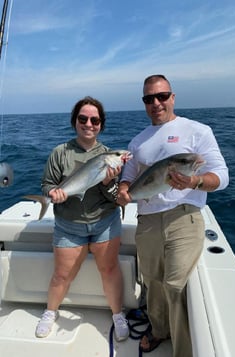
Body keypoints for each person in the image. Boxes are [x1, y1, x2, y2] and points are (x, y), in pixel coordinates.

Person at [117, 75, 229, 357]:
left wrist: (195, 182)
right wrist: (123, 191)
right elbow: (129, 178)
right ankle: (158, 331)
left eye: (162, 96)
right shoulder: (138, 141)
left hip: (184, 216)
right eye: (149, 99)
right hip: (147, 220)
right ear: (144, 103)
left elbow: (222, 176)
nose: (156, 103)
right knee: (152, 282)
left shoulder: (197, 130)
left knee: (175, 285)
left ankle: (183, 351)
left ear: (173, 97)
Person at [35, 96, 129, 342]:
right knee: (61, 275)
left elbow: (116, 199)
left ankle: (118, 315)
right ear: (75, 121)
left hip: (105, 222)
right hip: (69, 225)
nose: (89, 123)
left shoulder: (109, 156)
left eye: (95, 120)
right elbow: (46, 184)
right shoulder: (60, 153)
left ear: (101, 124)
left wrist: (109, 183)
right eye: (83, 118)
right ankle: (50, 312)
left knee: (109, 269)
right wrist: (51, 193)